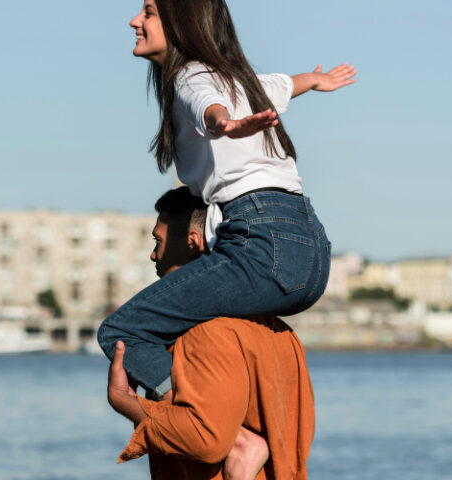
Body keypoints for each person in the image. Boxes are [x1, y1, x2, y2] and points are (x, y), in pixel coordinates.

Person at [97, 0, 355, 399]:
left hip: (260, 244)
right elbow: (283, 84)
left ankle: (217, 426)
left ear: (180, 22)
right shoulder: (239, 80)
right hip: (312, 253)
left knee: (122, 331)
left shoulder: (190, 75)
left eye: (148, 12)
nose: (135, 20)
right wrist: (315, 80)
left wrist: (224, 124)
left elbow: (207, 106)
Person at [107, 187, 315, 480]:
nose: (154, 254)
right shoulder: (278, 331)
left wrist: (126, 403)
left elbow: (205, 440)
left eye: (158, 241)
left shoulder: (204, 333)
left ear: (193, 242)